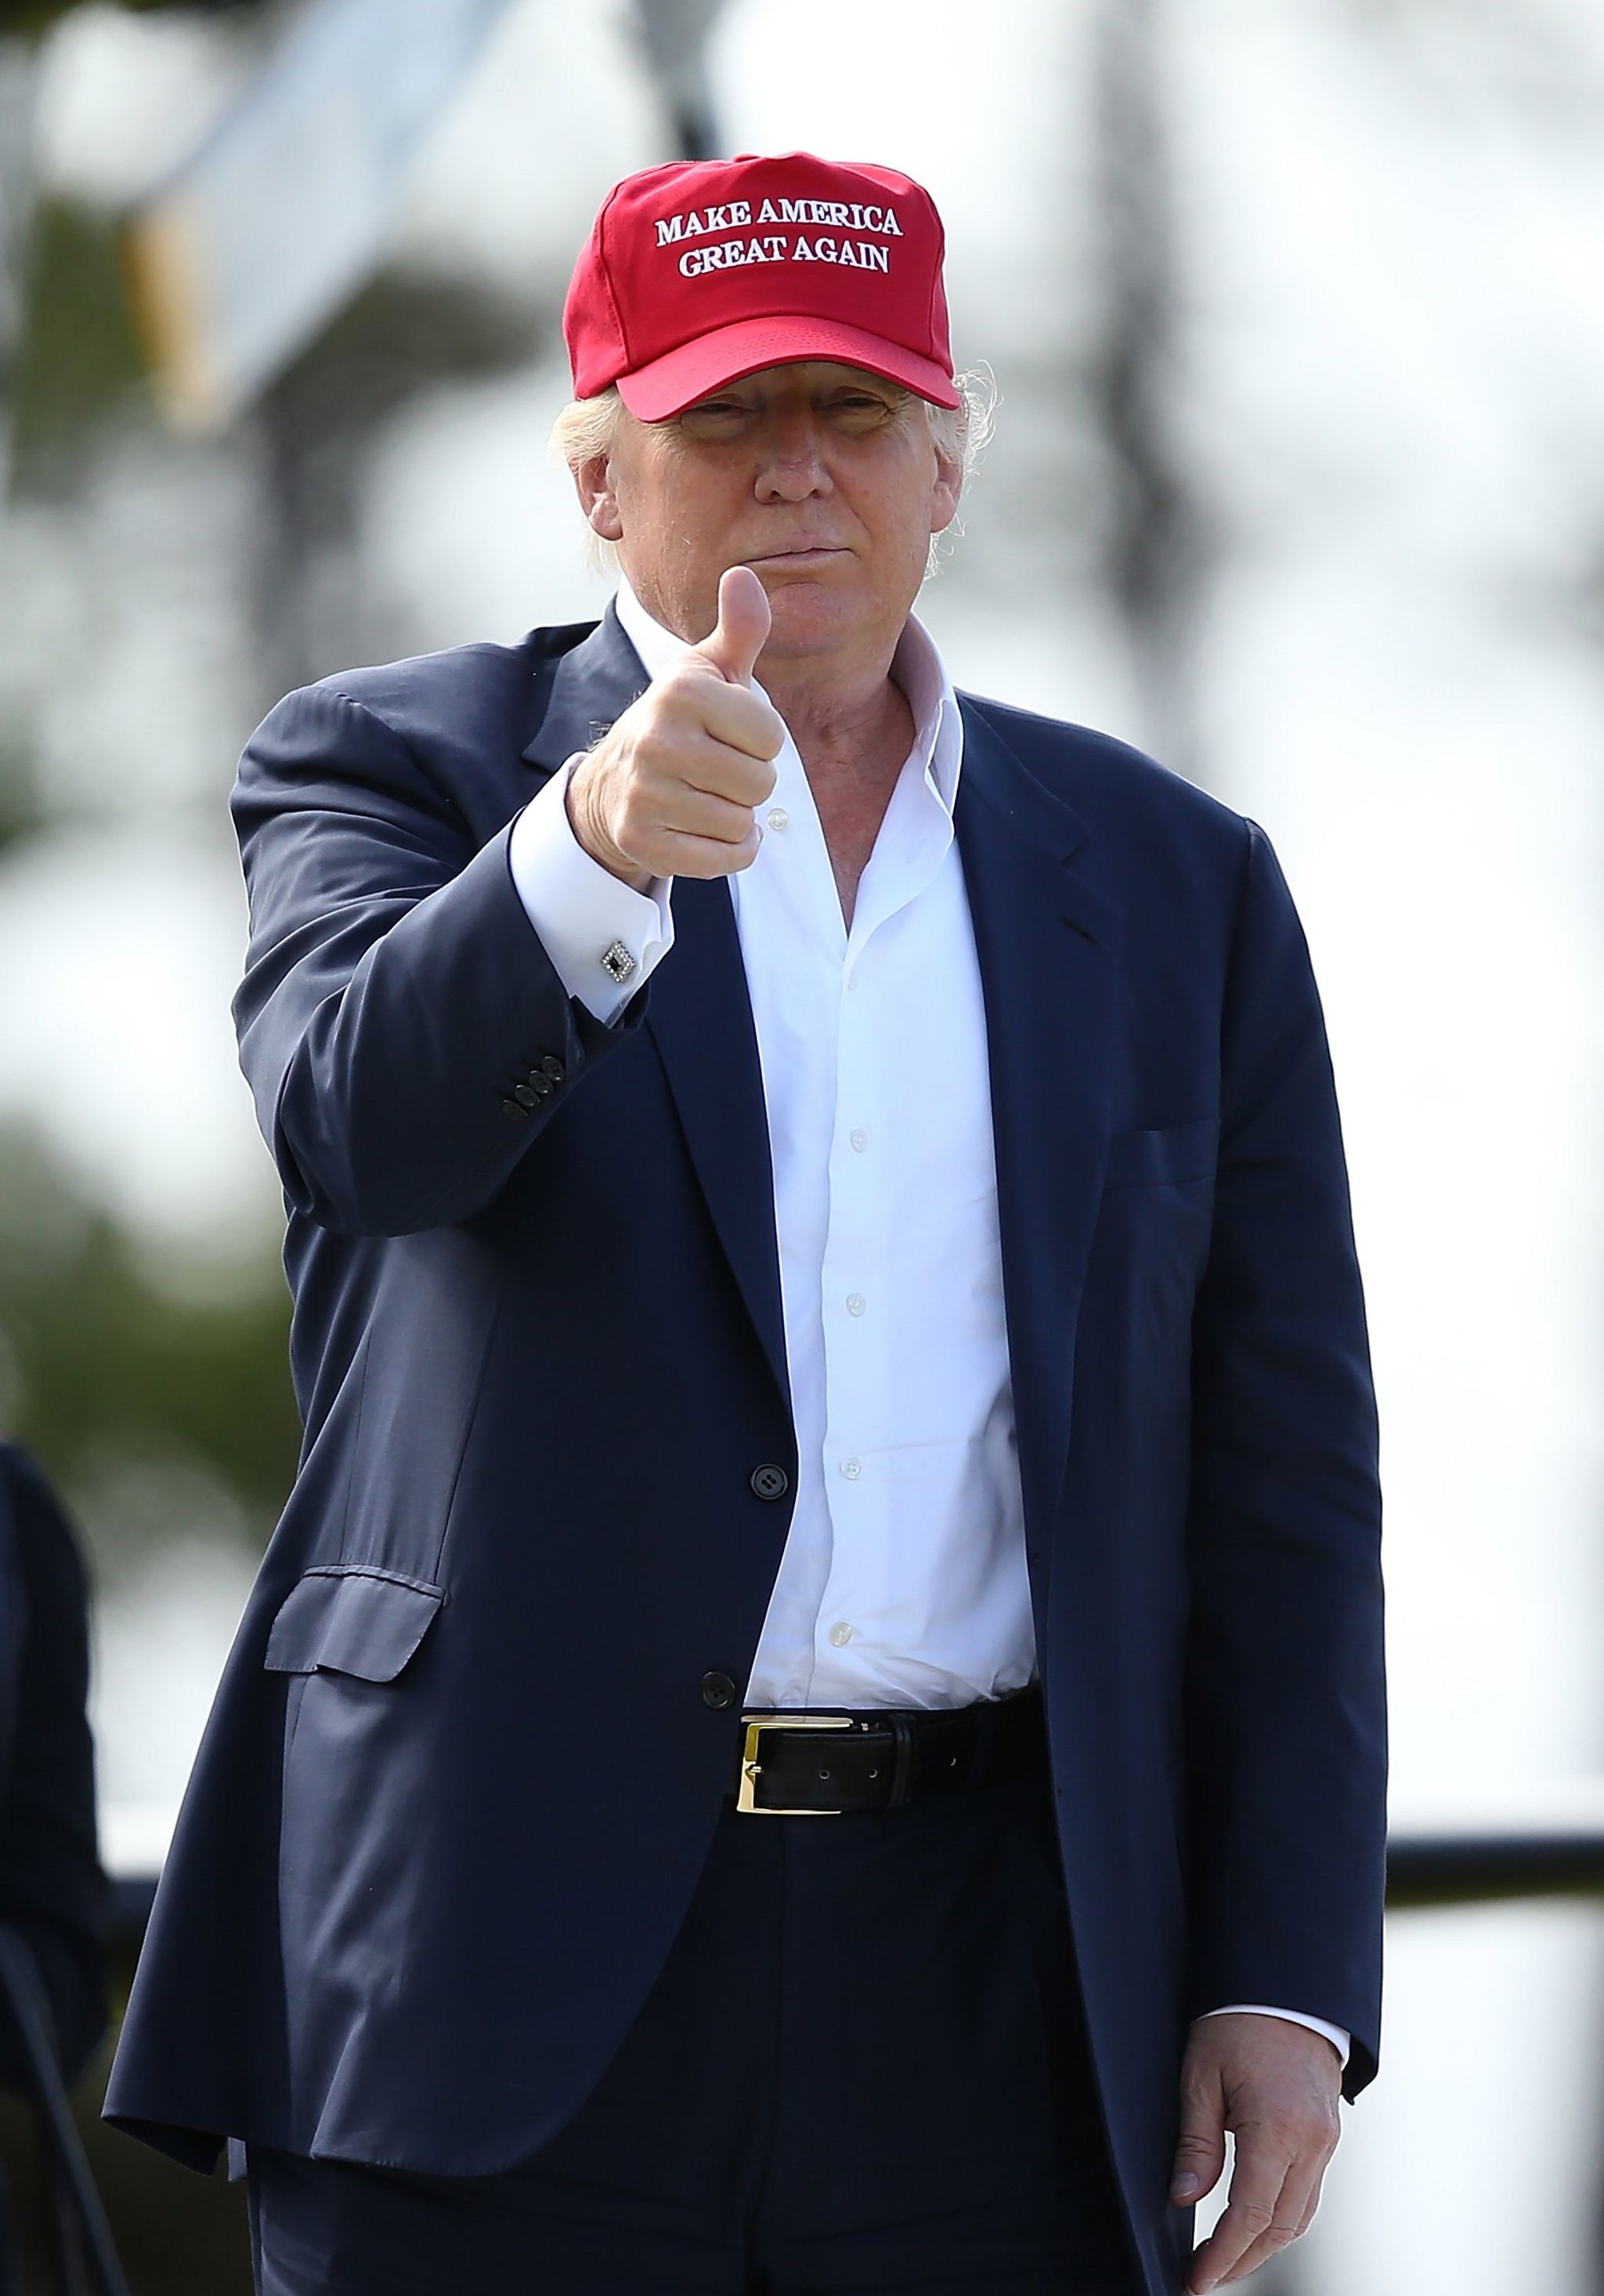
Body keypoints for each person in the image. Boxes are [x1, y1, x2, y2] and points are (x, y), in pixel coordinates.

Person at [103, 151, 1386, 2296]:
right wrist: (585, 857)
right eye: (723, 420)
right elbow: (363, 1132)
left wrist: (1280, 1967)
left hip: (1005, 1992)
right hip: (499, 1974)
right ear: (602, 478)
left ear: (951, 459)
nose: (800, 473)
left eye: (857, 412)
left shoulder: (1177, 880)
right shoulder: (393, 775)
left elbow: (1279, 1476)